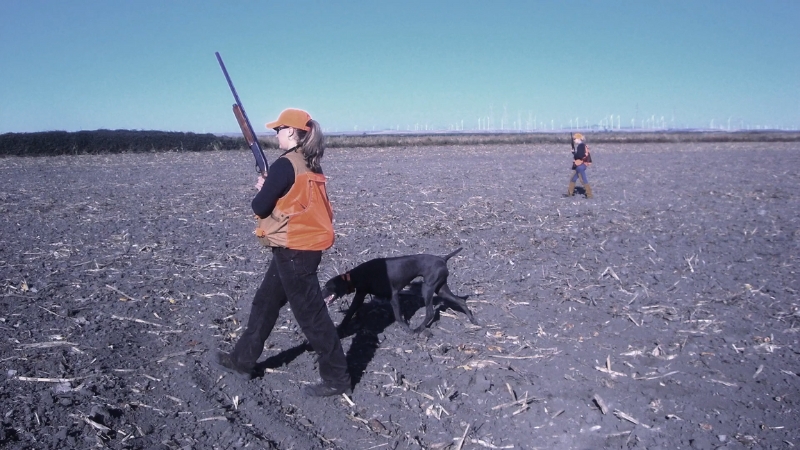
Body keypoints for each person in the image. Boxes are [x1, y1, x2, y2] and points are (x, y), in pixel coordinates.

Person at [217, 108, 351, 397]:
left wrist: (263, 188)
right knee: (265, 303)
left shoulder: (285, 165)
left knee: (313, 317)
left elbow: (259, 207)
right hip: (296, 248)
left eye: (279, 129)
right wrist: (271, 188)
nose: (275, 133)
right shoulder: (310, 162)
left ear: (291, 131)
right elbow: (293, 201)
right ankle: (242, 361)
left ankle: (338, 379)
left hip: (295, 250)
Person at [567, 133, 593, 198]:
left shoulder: (580, 146)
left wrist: (574, 153)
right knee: (573, 179)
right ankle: (570, 193)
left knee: (583, 179)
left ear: (578, 139)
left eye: (575, 139)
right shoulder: (582, 145)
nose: (574, 140)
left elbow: (580, 156)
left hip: (580, 166)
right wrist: (574, 153)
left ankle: (589, 194)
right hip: (581, 165)